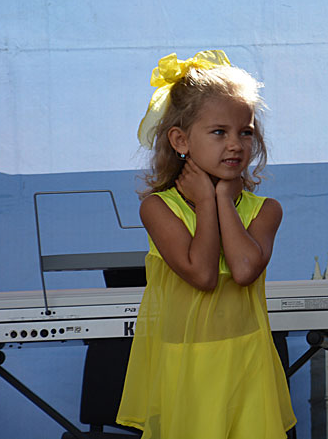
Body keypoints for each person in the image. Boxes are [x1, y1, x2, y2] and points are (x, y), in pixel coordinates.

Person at [116, 50, 296, 439]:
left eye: (245, 132)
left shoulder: (266, 211)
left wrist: (222, 200)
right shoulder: (157, 209)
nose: (235, 145)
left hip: (247, 364)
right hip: (186, 369)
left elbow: (244, 270)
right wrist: (205, 202)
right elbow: (203, 275)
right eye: (219, 132)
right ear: (181, 140)